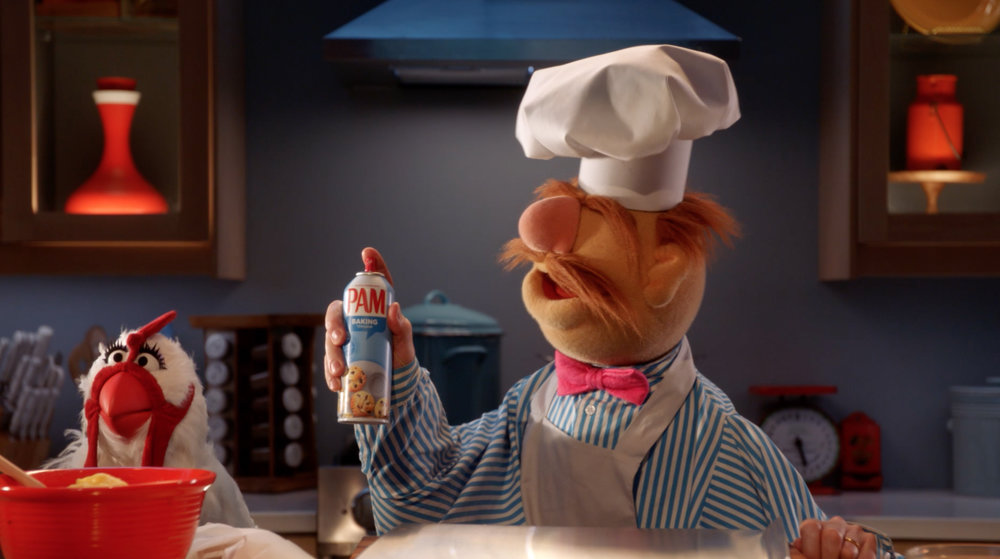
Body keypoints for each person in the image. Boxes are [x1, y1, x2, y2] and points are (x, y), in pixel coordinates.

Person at [324, 45, 893, 559]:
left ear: (664, 269)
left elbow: (822, 545)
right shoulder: (529, 410)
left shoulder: (726, 449)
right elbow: (417, 507)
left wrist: (845, 552)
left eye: (594, 220)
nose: (540, 239)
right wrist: (389, 368)